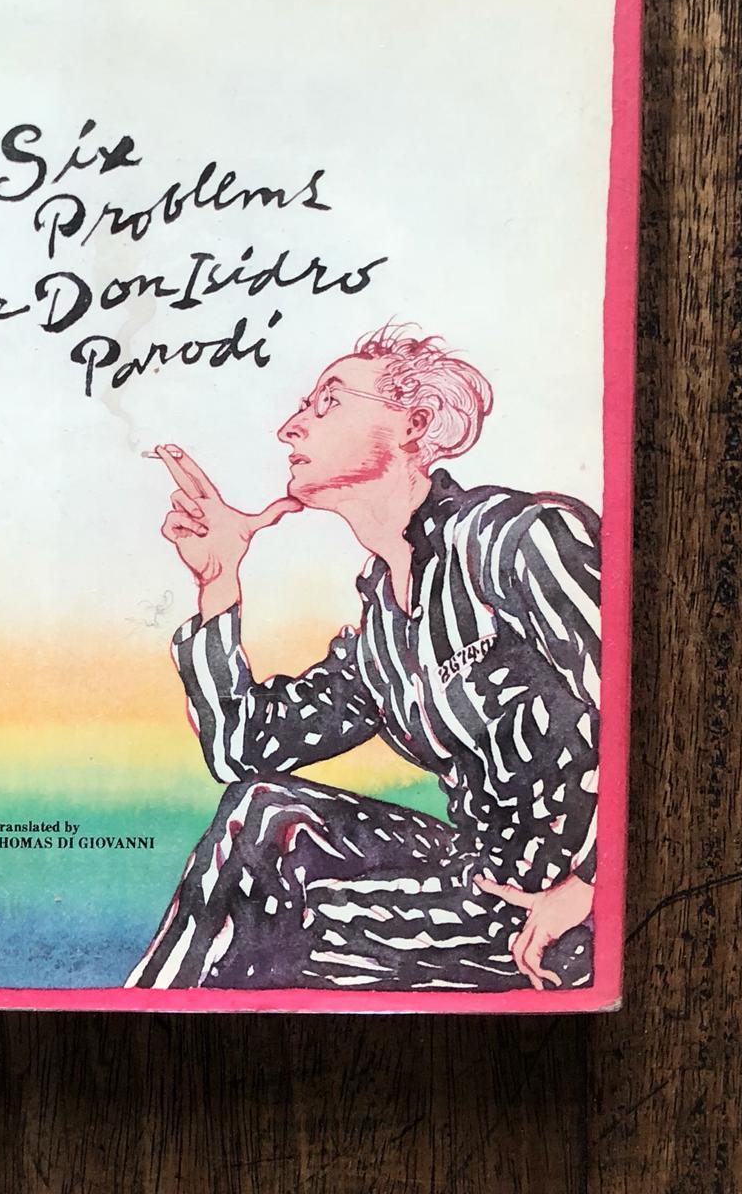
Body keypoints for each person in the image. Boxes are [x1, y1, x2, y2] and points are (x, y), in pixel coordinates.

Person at [126, 324, 602, 993]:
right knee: (267, 814)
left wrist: (591, 883)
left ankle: (156, 1019)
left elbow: (640, 708)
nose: (291, 428)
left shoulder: (519, 539)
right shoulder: (381, 624)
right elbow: (241, 750)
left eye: (328, 405)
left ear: (416, 425)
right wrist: (218, 580)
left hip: (575, 907)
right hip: (482, 883)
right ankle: (162, 1016)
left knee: (272, 930)